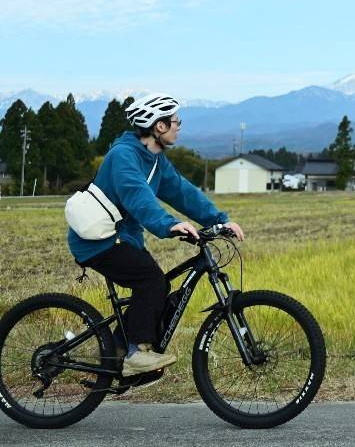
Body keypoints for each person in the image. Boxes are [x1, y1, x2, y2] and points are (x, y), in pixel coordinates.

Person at [67, 94, 245, 378]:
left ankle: (113, 357)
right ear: (158, 126)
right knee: (150, 280)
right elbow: (138, 196)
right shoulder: (123, 156)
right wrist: (169, 224)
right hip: (97, 240)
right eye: (176, 122)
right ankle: (137, 353)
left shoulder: (156, 161)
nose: (179, 127)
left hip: (122, 238)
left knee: (156, 285)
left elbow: (183, 192)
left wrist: (220, 220)